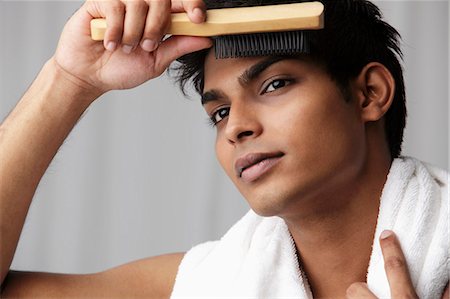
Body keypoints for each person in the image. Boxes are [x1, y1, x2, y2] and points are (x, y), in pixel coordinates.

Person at [0, 0, 448, 298]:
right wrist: (69, 80)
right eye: (218, 113)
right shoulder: (211, 283)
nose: (235, 127)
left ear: (369, 93)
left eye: (274, 84)